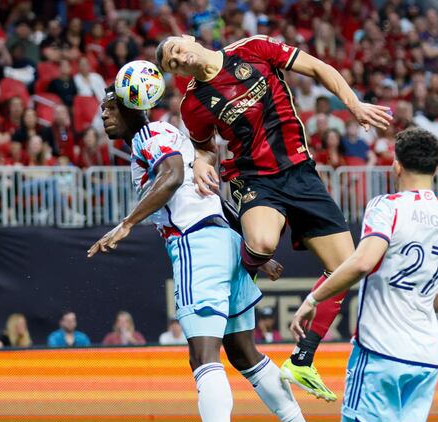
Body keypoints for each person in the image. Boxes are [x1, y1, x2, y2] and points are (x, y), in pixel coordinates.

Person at [156, 33, 392, 401]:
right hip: (252, 179)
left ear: (189, 38)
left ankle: (302, 359)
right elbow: (204, 147)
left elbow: (317, 67)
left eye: (176, 50)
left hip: (301, 173)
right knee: (263, 241)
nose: (180, 59)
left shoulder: (251, 48)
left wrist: (353, 104)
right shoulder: (193, 104)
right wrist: (202, 163)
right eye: (172, 63)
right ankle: (245, 269)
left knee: (347, 268)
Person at [88, 84, 318, 422]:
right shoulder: (169, 133)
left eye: (109, 108)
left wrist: (127, 224)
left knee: (203, 357)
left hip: (196, 244)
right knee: (244, 354)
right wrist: (247, 245)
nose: (103, 115)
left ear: (132, 106)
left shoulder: (149, 136)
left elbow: (173, 177)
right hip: (224, 242)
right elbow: (206, 189)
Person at [289, 127, 438, 422]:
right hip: (425, 358)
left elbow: (362, 262)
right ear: (436, 169)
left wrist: (313, 300)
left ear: (396, 165)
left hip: (380, 351)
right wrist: (418, 298)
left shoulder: (387, 206)